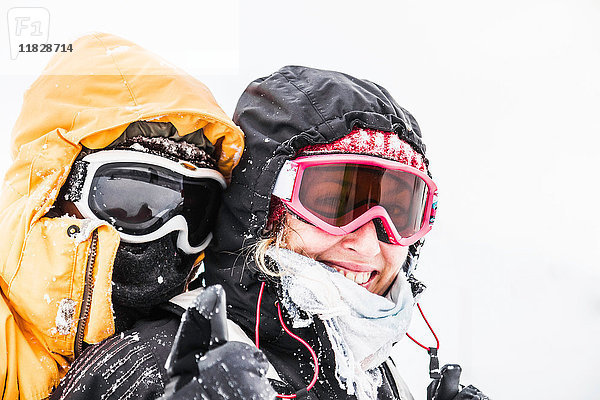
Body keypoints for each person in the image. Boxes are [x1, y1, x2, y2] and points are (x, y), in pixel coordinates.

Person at [162, 66, 489, 399]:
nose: (366, 245)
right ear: (262, 209)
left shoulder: (370, 373)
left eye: (399, 213)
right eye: (334, 203)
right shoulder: (170, 367)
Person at [0, 33, 244, 399]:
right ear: (55, 191)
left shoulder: (211, 340)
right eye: (132, 203)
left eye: (194, 210)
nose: (170, 231)